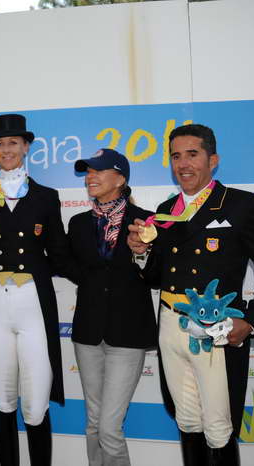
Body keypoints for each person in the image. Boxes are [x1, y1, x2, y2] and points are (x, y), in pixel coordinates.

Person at [127, 124, 254, 465]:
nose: (183, 164)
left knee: (219, 427)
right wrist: (141, 252)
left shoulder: (242, 205)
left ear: (213, 160)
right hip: (171, 327)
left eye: (192, 154)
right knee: (187, 421)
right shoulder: (165, 210)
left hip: (216, 331)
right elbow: (155, 276)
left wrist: (251, 322)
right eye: (176, 156)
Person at [0, 114, 76, 466]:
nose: (6, 149)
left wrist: (96, 277)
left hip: (33, 304)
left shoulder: (46, 197)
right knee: (2, 398)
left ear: (26, 147)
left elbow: (59, 254)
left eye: (13, 142)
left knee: (37, 401)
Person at [69, 148, 157, 466]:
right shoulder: (78, 223)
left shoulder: (146, 221)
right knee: (93, 423)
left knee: (109, 428)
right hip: (88, 333)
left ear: (120, 178)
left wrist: (142, 253)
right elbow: (71, 266)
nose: (90, 176)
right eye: (88, 171)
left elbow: (157, 275)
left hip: (128, 333)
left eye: (98, 170)